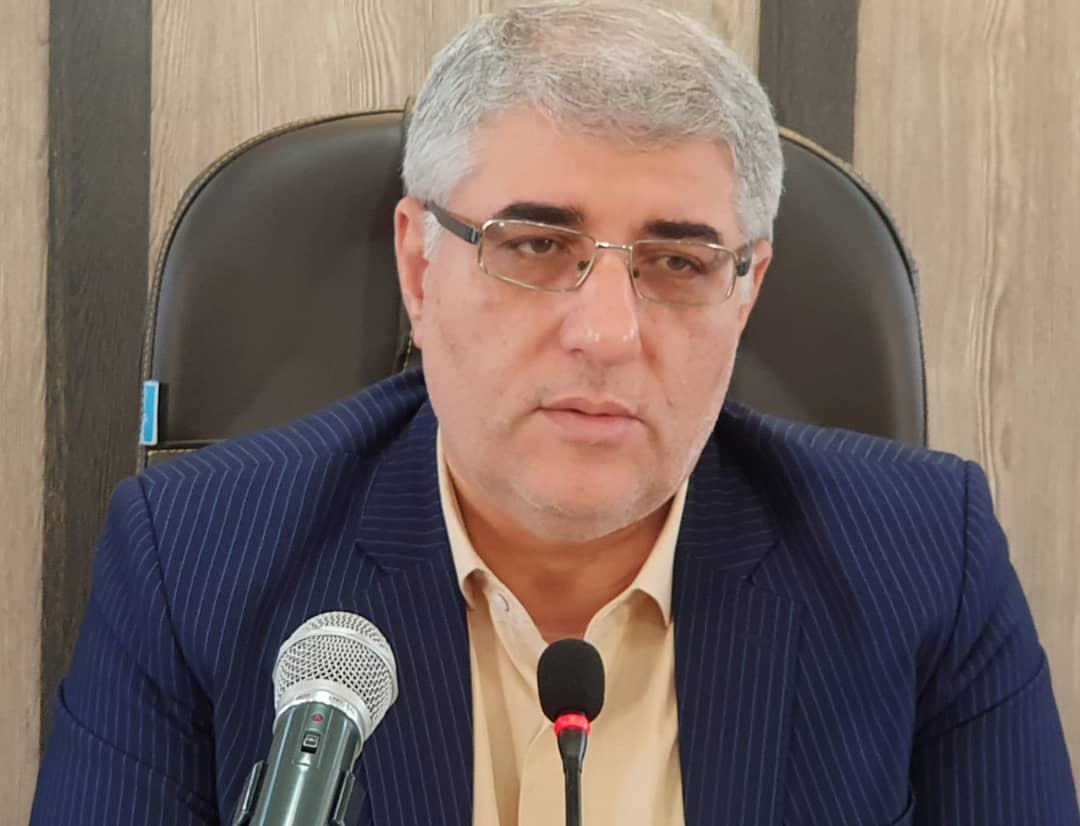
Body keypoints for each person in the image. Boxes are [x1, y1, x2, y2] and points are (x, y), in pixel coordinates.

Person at [31, 2, 1078, 825]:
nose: (608, 332)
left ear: (745, 292)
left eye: (678, 261)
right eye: (535, 246)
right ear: (419, 267)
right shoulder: (192, 564)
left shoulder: (925, 560)